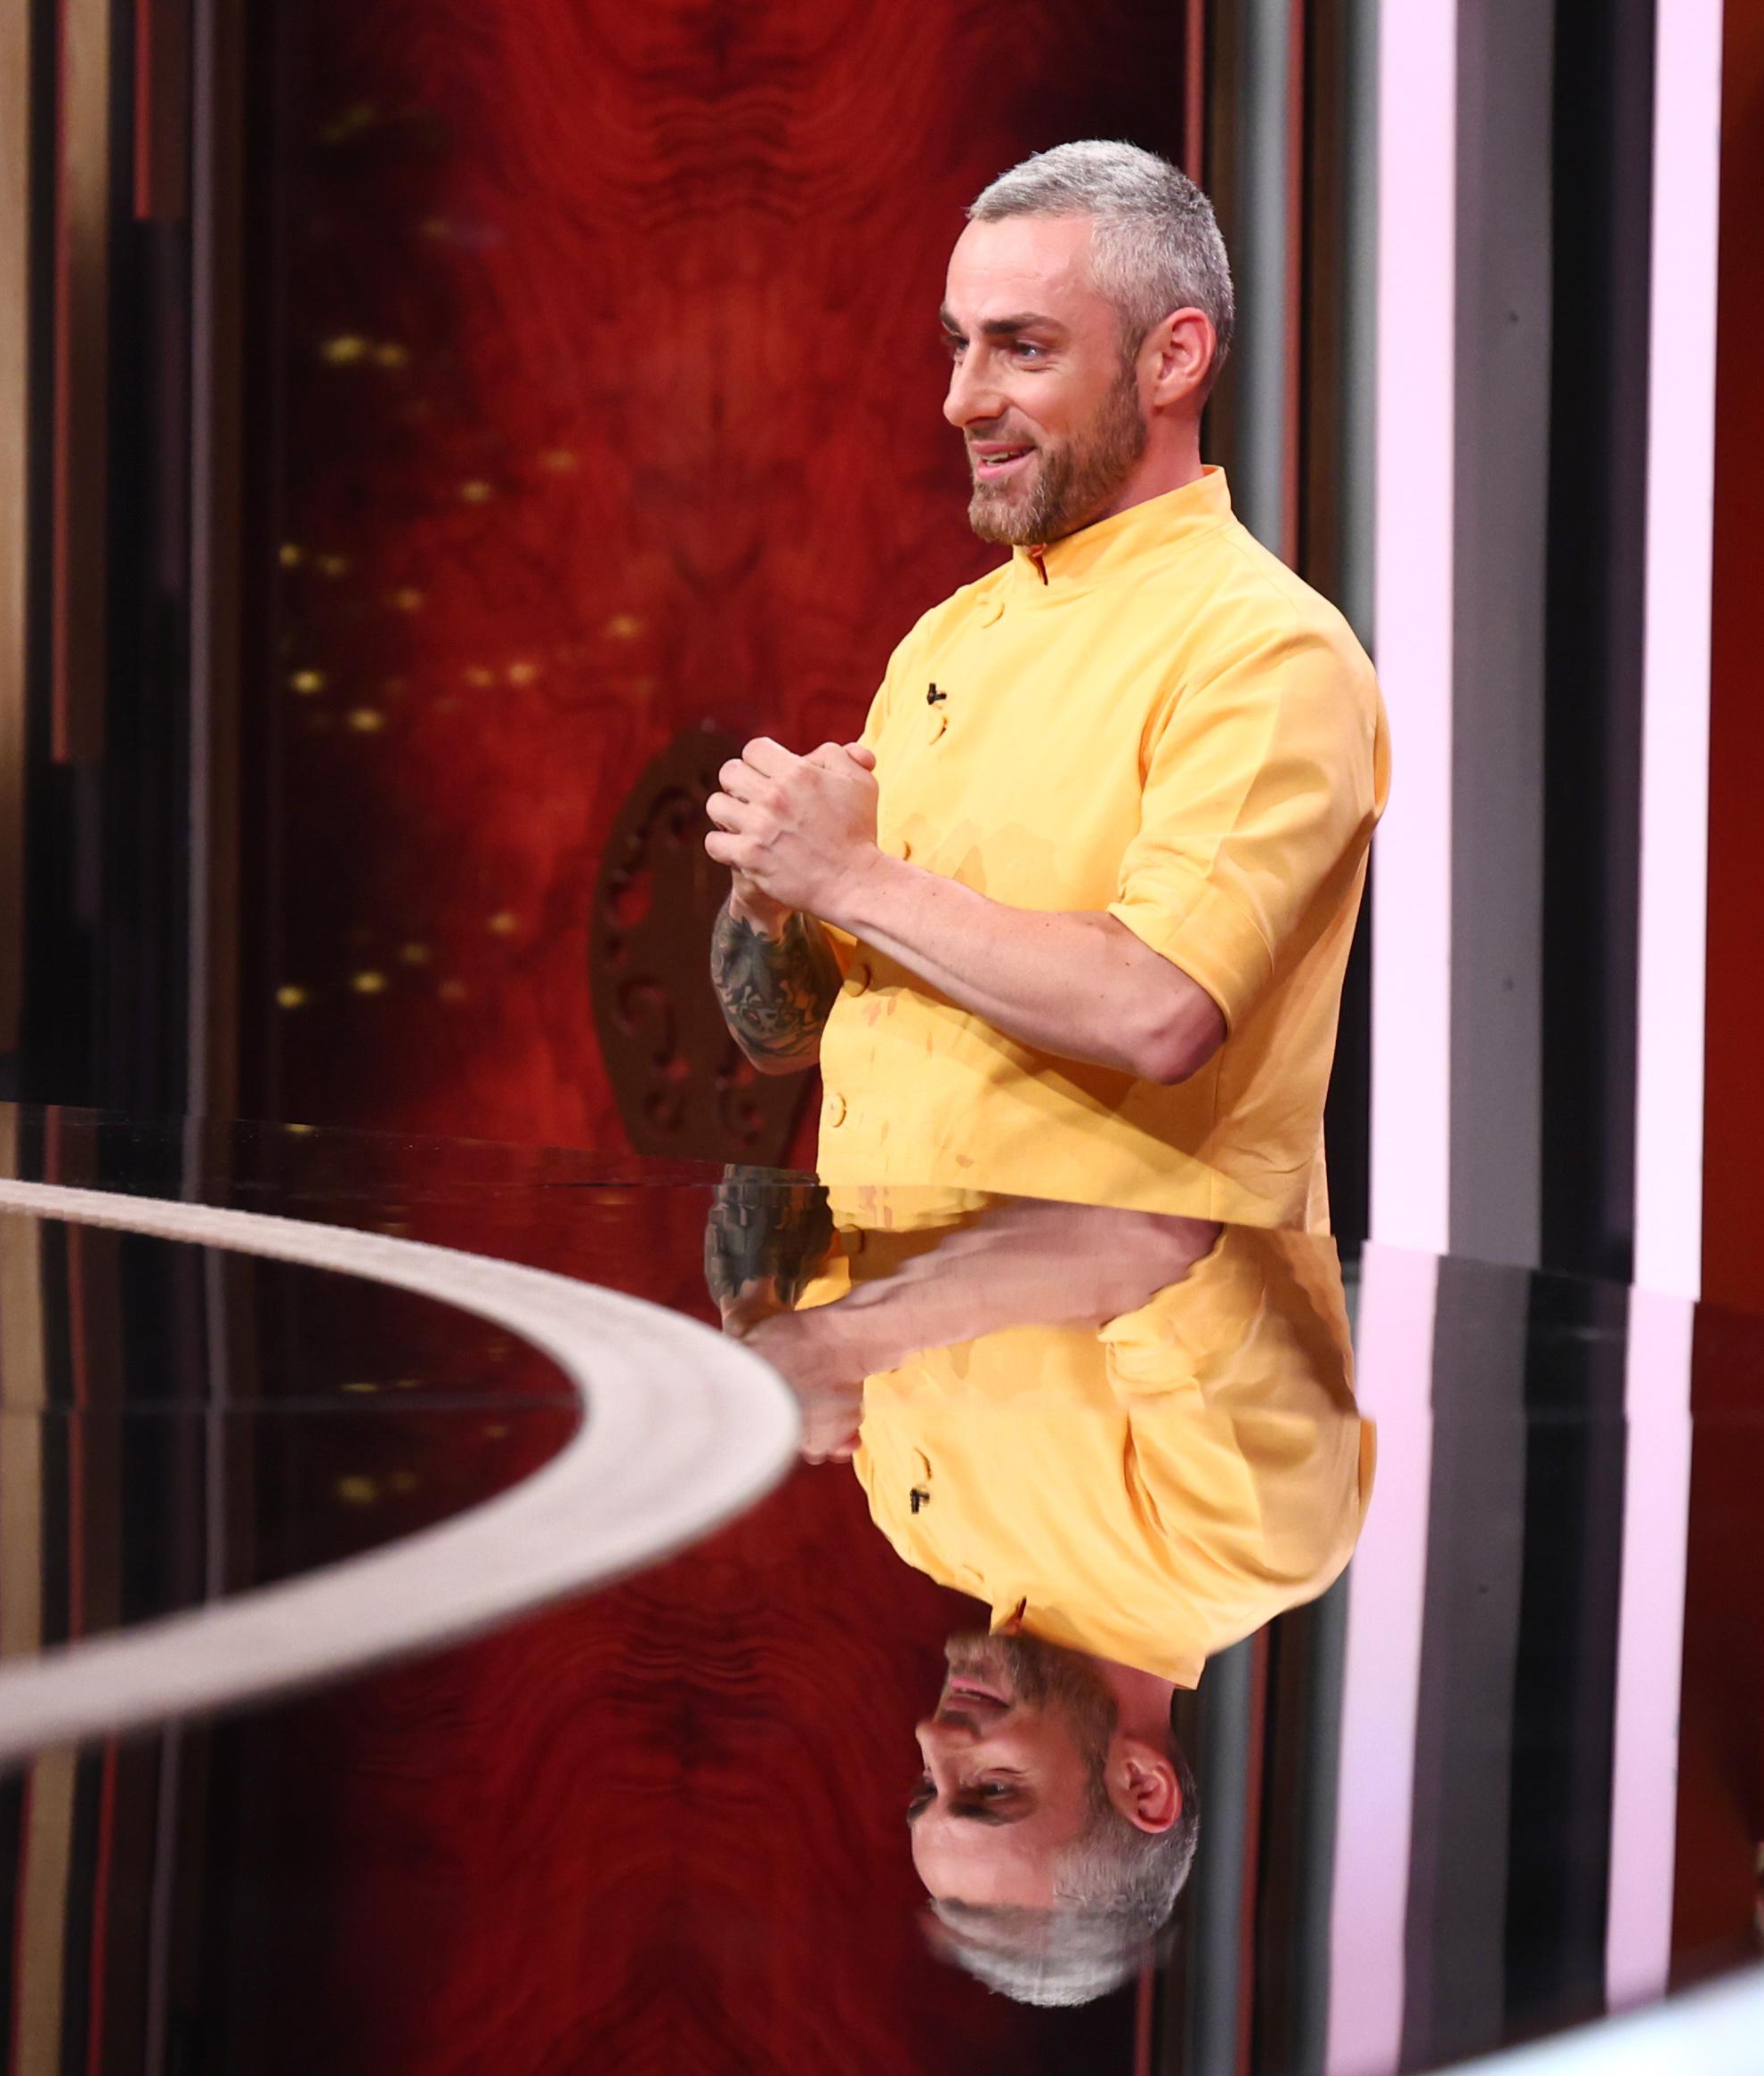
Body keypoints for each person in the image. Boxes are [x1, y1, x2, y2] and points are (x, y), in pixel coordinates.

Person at [701, 140, 1388, 1233]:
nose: (961, 400)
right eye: (957, 346)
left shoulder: (1265, 651)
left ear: (1172, 359)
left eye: (1021, 349)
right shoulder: (943, 641)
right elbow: (780, 1035)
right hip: (882, 1320)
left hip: (1143, 1327)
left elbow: (1159, 1008)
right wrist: (769, 888)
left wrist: (848, 874)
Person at [708, 1180, 1372, 2004]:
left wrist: (755, 1321)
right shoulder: (1253, 1547)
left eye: (927, 1788)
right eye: (992, 1788)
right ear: (1142, 1784)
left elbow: (784, 1209)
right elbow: (1153, 1234)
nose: (933, 1736)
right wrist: (835, 1345)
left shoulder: (922, 1536)